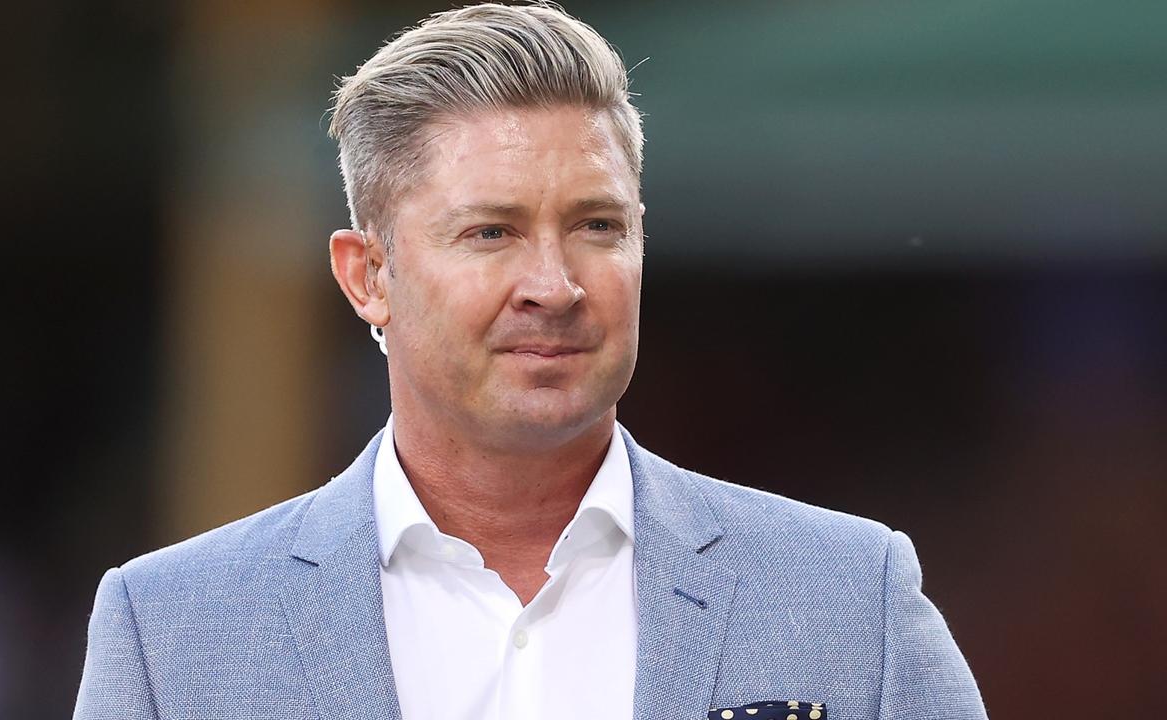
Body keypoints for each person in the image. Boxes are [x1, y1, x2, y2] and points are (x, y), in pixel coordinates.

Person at [73, 3, 987, 719]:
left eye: (598, 226)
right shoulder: (174, 635)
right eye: (490, 232)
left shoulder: (846, 599)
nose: (553, 283)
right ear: (368, 277)